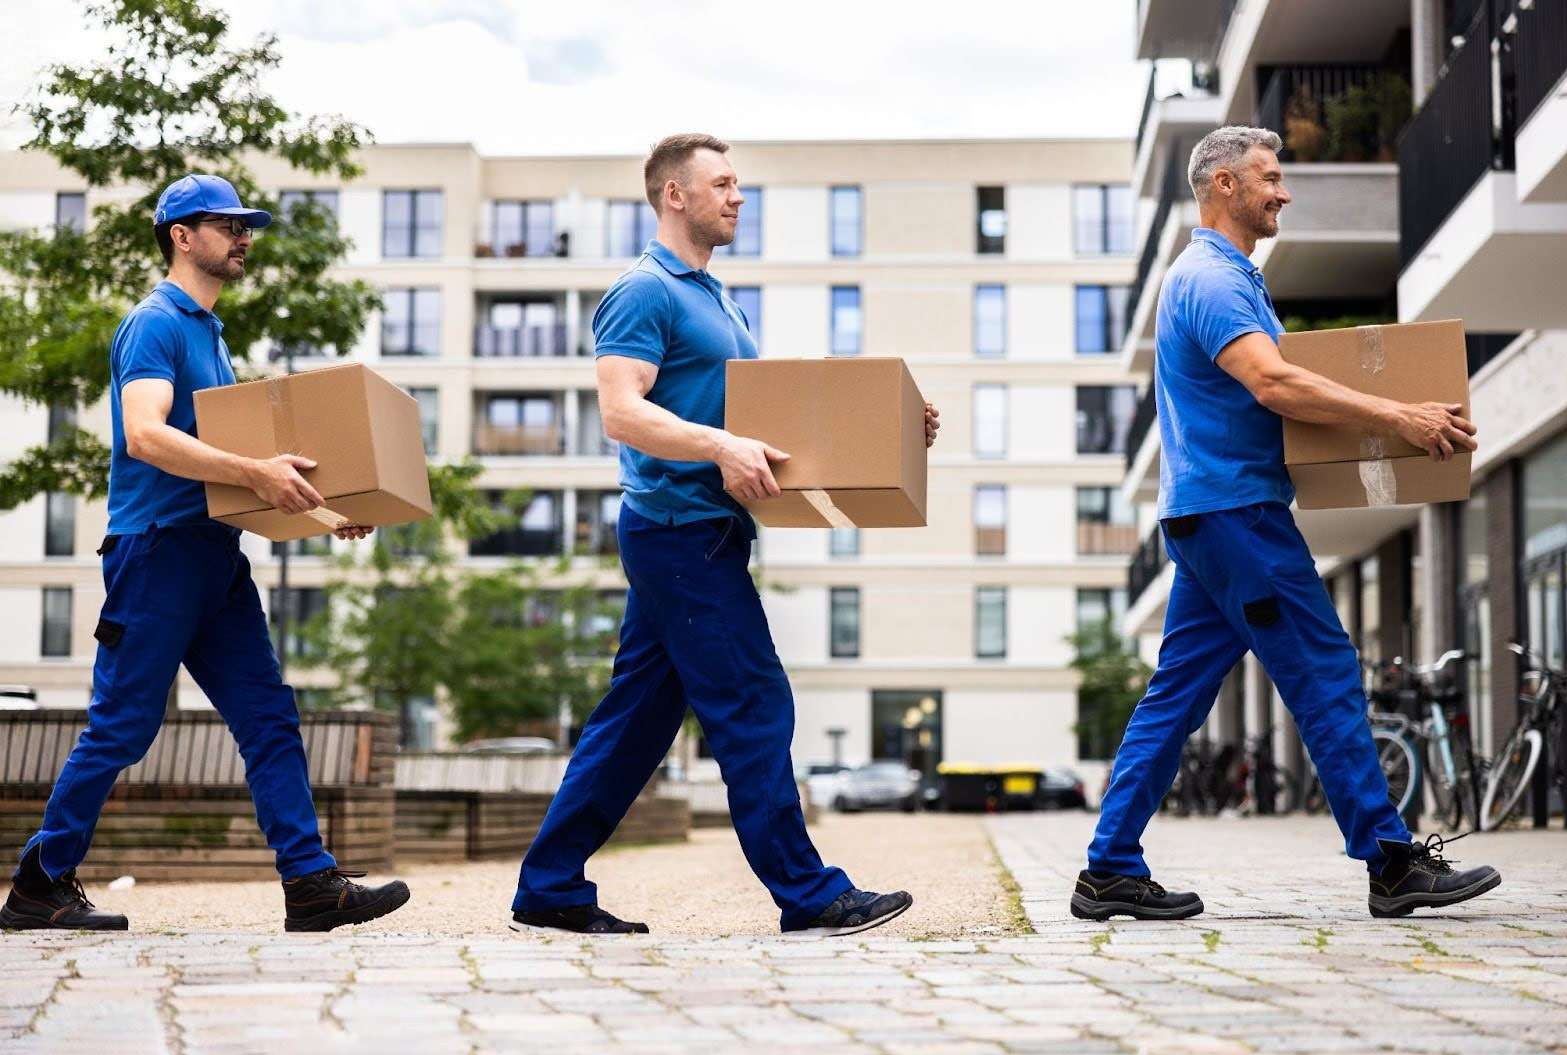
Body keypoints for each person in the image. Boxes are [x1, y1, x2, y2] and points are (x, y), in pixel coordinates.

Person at [510, 134, 940, 936]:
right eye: (724, 183)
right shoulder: (645, 291)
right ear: (675, 195)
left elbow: (762, 420)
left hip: (703, 533)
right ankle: (809, 894)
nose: (739, 197)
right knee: (753, 700)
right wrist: (717, 446)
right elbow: (620, 410)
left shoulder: (719, 300)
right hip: (678, 531)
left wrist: (890, 432)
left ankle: (549, 885)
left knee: (633, 723)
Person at [1074, 127, 1501, 921]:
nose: (1284, 191)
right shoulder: (1212, 280)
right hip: (1237, 515)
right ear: (1225, 186)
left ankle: (1108, 867)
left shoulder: (1224, 278)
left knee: (1174, 697)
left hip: (1212, 516)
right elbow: (1271, 384)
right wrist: (1396, 416)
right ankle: (1389, 858)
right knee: (1327, 671)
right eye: (1270, 177)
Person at [1, 174, 410, 933]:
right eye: (225, 225)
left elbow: (235, 473)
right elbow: (145, 435)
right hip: (156, 556)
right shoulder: (156, 323)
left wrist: (327, 513)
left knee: (269, 718)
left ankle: (310, 883)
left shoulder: (211, 336)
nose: (242, 236)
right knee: (123, 728)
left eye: (246, 225)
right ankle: (39, 881)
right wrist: (257, 471)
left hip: (215, 558)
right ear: (181, 236)